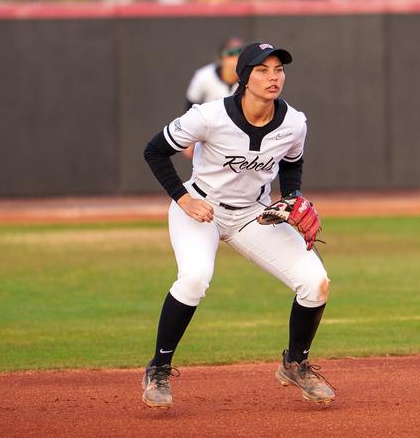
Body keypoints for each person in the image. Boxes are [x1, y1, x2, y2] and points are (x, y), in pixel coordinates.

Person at [142, 42, 334, 408]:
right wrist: (184, 200)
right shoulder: (208, 116)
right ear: (244, 77)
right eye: (262, 70)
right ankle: (159, 369)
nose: (273, 77)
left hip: (253, 214)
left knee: (316, 283)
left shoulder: (294, 122)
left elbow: (292, 162)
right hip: (201, 208)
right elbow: (155, 150)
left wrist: (291, 197)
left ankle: (296, 363)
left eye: (278, 70)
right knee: (194, 277)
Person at [181, 37, 244, 159]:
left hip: (240, 137)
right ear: (222, 57)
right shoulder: (204, 76)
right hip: (209, 135)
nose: (235, 58)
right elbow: (190, 105)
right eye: (230, 53)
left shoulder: (250, 79)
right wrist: (189, 140)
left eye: (240, 53)